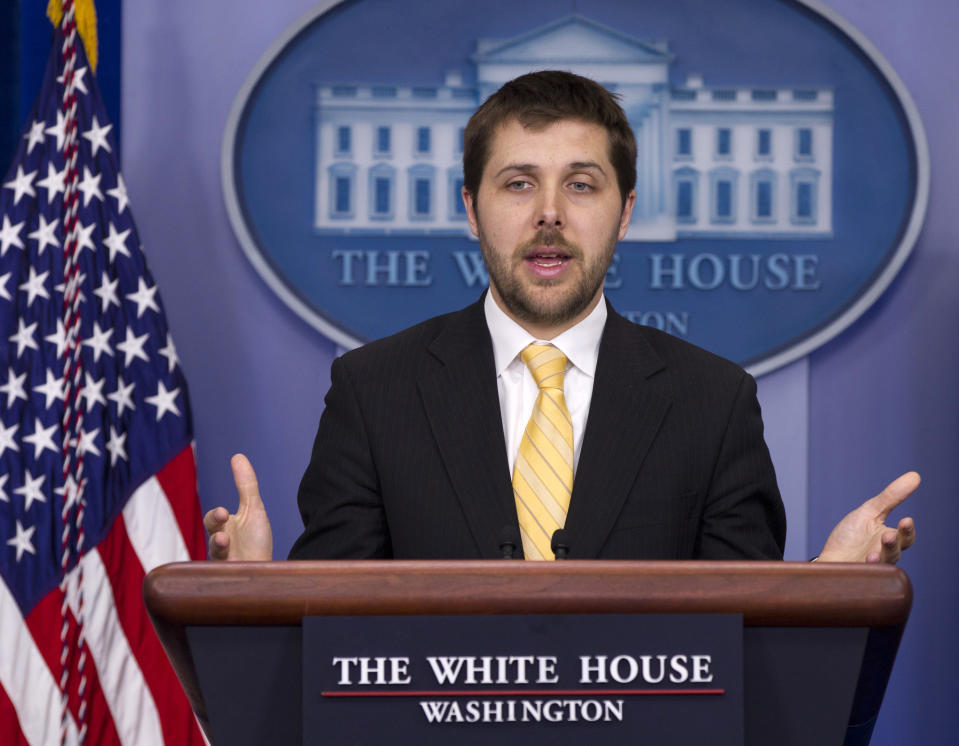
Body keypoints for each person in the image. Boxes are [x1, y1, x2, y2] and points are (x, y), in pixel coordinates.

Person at [205, 71, 916, 564]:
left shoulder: (713, 401)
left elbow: (745, 640)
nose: (548, 213)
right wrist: (253, 596)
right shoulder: (373, 390)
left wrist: (830, 578)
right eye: (518, 184)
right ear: (469, 209)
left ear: (625, 211)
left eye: (581, 185)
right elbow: (331, 645)